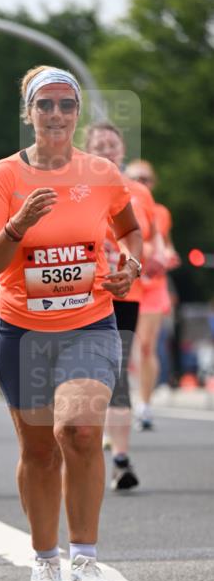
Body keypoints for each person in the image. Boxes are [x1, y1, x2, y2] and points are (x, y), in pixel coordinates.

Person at [0, 65, 143, 581]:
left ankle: (86, 563)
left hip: (89, 322)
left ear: (77, 114)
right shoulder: (4, 177)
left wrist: (130, 264)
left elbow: (129, 227)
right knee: (40, 450)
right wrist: (17, 225)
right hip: (21, 331)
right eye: (45, 105)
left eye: (66, 105)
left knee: (82, 430)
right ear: (29, 114)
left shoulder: (101, 172)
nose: (56, 115)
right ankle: (45, 564)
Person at [84, 124, 163, 490]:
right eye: (98, 146)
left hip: (124, 295)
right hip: (82, 296)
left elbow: (152, 238)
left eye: (111, 145)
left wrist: (157, 256)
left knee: (115, 374)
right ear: (86, 151)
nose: (105, 151)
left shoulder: (139, 194)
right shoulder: (77, 190)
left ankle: (120, 459)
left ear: (122, 151)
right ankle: (77, 450)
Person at [125, 159, 179, 430]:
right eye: (136, 177)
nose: (141, 183)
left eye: (146, 179)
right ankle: (118, 406)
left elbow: (165, 244)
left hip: (154, 286)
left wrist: (168, 254)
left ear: (153, 183)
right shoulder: (119, 203)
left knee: (146, 346)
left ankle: (144, 406)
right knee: (123, 349)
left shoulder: (161, 212)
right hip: (127, 283)